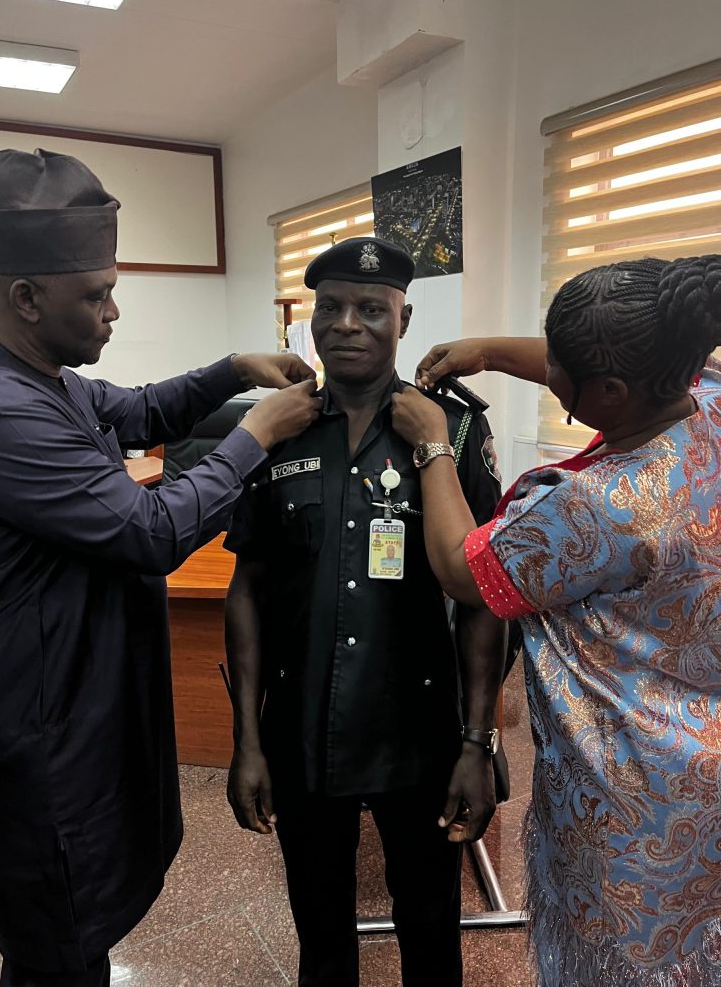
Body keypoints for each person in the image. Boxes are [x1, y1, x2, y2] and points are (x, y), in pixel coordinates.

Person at [0, 148, 322, 987]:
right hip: (32, 732)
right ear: (25, 297)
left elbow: (140, 409)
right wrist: (256, 435)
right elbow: (151, 530)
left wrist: (231, 372)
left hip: (73, 704)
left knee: (71, 933)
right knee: (54, 943)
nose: (113, 311)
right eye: (96, 295)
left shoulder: (45, 378)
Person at [390, 255, 721, 987]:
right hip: (706, 760)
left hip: (631, 793)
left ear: (607, 392)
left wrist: (432, 441)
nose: (549, 369)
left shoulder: (591, 508)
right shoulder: (708, 398)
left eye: (558, 365)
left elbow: (461, 566)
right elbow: (605, 369)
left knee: (624, 955)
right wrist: (487, 351)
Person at [223, 236, 506, 987]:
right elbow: (247, 588)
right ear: (311, 323)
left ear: (403, 321)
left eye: (371, 309)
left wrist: (478, 744)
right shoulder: (272, 430)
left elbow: (486, 600)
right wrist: (247, 738)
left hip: (418, 736)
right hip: (302, 728)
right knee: (320, 935)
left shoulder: (453, 431)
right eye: (331, 308)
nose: (348, 323)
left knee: (429, 931)